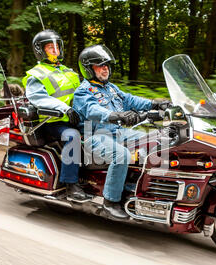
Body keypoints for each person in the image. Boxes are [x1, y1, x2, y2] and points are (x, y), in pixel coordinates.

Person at [73, 45, 171, 219]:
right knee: (122, 155)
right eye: (100, 65)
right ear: (88, 69)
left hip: (117, 132)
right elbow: (92, 110)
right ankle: (110, 202)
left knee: (153, 139)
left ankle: (143, 189)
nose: (105, 69)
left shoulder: (110, 88)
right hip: (94, 136)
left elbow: (130, 99)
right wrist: (116, 115)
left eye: (107, 65)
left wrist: (155, 103)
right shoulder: (83, 91)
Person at [22, 29, 91, 202]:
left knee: (103, 128)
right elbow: (39, 98)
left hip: (75, 118)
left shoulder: (69, 71)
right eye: (49, 47)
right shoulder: (36, 74)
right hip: (52, 121)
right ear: (40, 50)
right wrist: (64, 109)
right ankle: (70, 184)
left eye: (57, 47)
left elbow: (84, 92)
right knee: (73, 137)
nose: (55, 50)